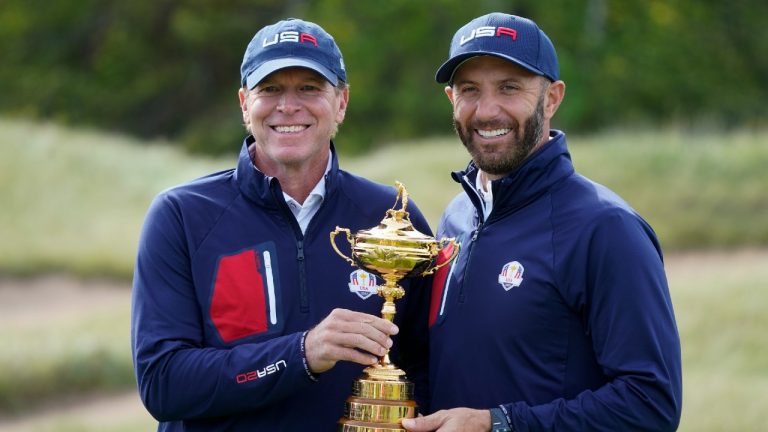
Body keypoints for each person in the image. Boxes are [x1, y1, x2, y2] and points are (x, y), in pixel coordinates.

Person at [131, 18, 431, 431]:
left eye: (309, 88)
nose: (288, 106)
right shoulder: (181, 216)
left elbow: (428, 368)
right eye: (270, 89)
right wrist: (301, 353)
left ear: (341, 101)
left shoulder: (393, 219)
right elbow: (163, 384)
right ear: (244, 103)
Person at [402, 12, 682, 432]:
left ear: (551, 98)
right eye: (470, 90)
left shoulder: (606, 228)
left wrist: (498, 424)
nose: (487, 110)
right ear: (451, 100)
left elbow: (650, 404)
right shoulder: (455, 218)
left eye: (509, 88)